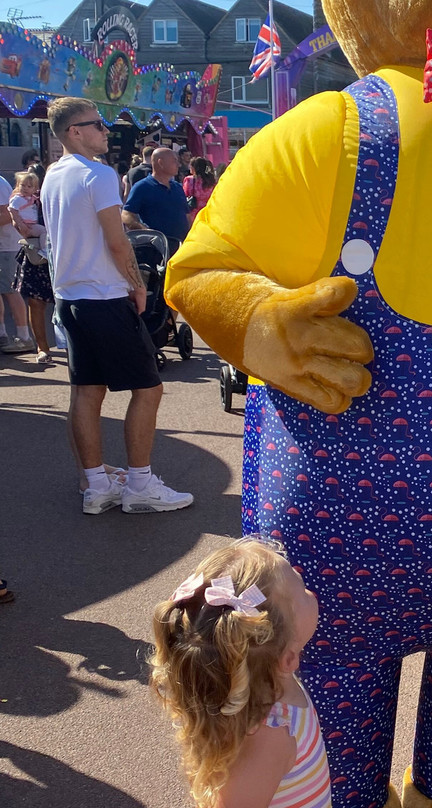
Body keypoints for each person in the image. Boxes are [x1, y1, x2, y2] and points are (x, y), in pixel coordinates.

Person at [41, 97, 193, 515]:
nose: (107, 131)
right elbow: (116, 239)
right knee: (148, 388)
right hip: (103, 296)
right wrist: (136, 284)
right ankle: (140, 483)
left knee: (86, 391)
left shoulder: (53, 174)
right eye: (98, 125)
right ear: (74, 131)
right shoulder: (99, 174)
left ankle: (95, 486)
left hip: (70, 297)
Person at [150, 538, 329, 808]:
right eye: (302, 590)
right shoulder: (270, 737)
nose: (310, 593)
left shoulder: (272, 683)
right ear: (288, 658)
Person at [10, 171, 53, 364]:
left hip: (65, 251)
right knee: (36, 302)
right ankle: (42, 347)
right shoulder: (27, 198)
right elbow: (14, 216)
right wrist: (18, 223)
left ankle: (74, 346)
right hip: (36, 251)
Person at [122, 147, 190, 253]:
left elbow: (187, 215)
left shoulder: (177, 187)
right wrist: (148, 233)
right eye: (174, 161)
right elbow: (126, 215)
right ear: (161, 163)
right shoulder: (142, 187)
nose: (179, 164)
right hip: (157, 252)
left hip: (182, 248)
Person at [0, 167, 33, 356]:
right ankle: (2, 334)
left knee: (11, 290)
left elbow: (7, 215)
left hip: (8, 246)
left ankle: (24, 337)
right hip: (4, 246)